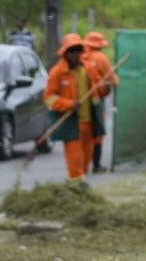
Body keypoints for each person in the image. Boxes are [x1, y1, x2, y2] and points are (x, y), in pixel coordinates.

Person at [43, 36, 102, 182]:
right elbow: (49, 98)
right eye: (71, 51)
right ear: (65, 53)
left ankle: (79, 185)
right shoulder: (57, 73)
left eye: (78, 51)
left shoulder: (87, 68)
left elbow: (98, 89)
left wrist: (105, 88)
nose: (75, 54)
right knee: (74, 159)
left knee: (85, 159)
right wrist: (69, 104)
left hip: (89, 121)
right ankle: (75, 186)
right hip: (71, 123)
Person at [82, 32, 118, 174]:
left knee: (83, 133)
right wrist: (107, 83)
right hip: (96, 100)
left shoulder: (79, 57)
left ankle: (81, 167)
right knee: (98, 131)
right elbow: (114, 81)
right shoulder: (101, 58)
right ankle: (96, 165)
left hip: (79, 101)